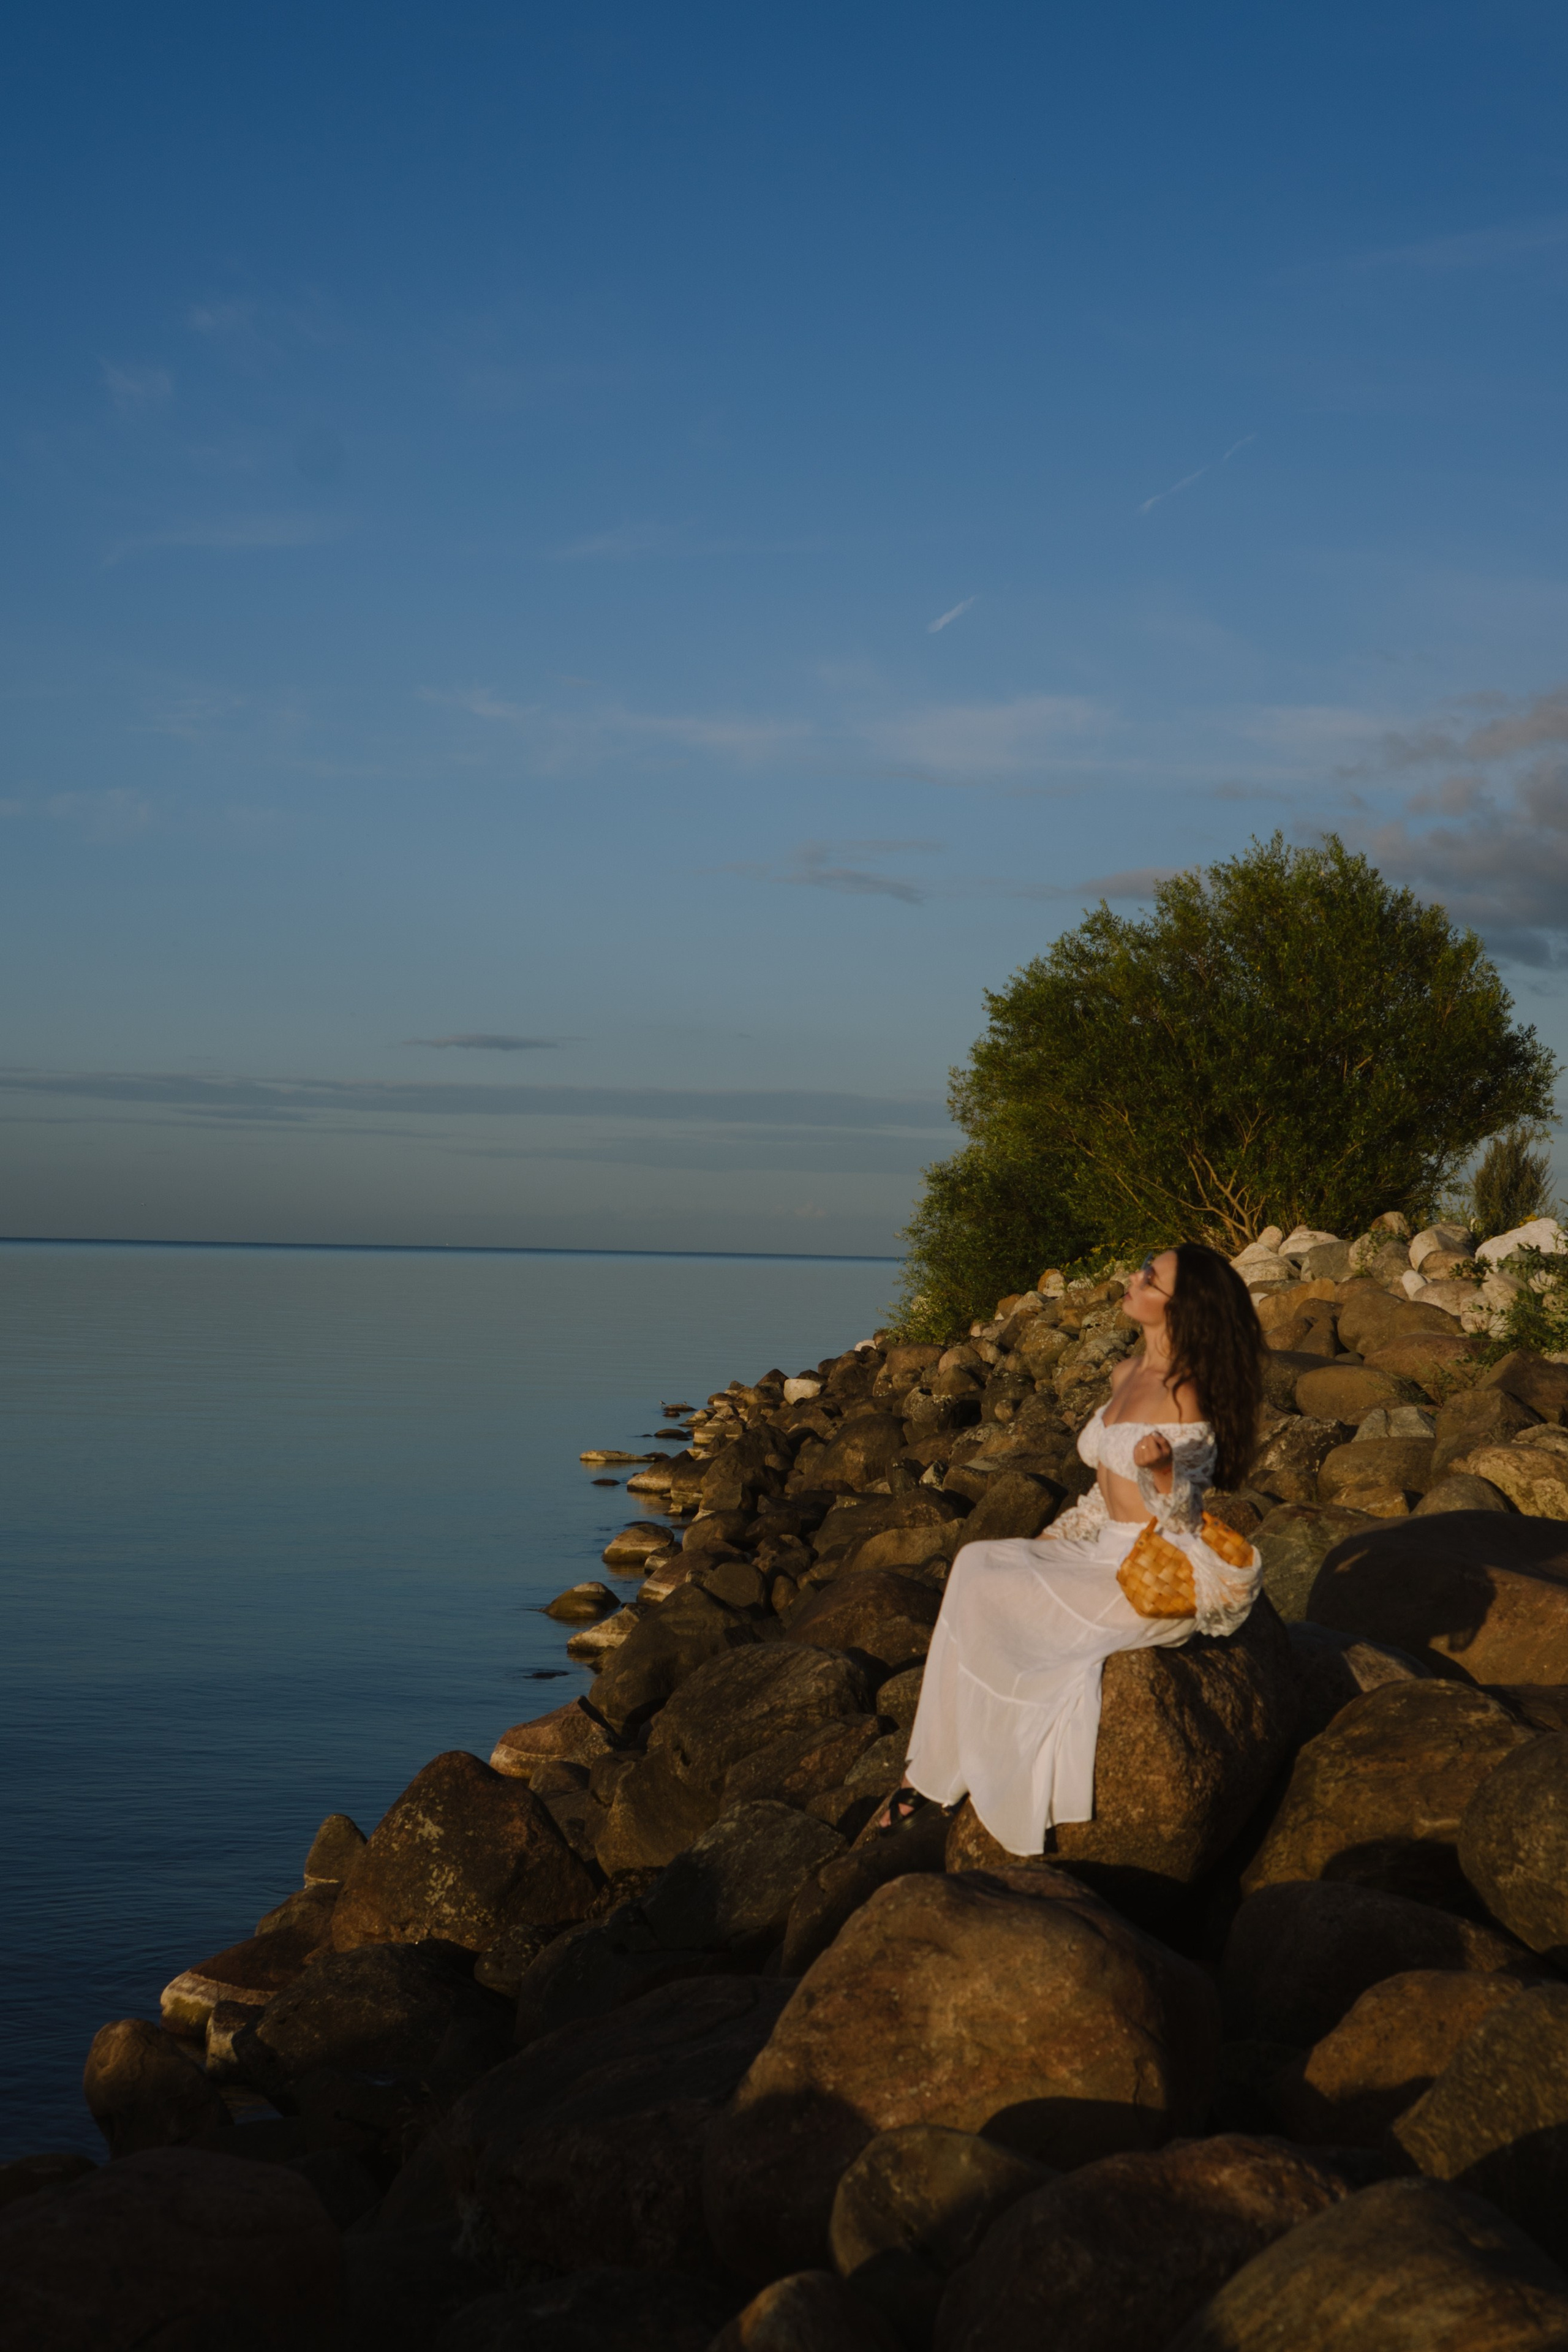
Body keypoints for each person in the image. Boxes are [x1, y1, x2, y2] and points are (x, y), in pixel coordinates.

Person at [875, 1242, 1267, 1856]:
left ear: (1183, 1307)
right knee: (979, 1563)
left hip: (1143, 1570)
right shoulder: (1125, 1373)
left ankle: (938, 1779)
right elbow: (1097, 1494)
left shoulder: (1187, 1393)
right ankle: (930, 1766)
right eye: (1141, 1267)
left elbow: (1183, 1509)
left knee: (994, 1592)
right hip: (1096, 1547)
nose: (1133, 1279)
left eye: (1150, 1278)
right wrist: (1050, 1544)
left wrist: (1162, 1471)